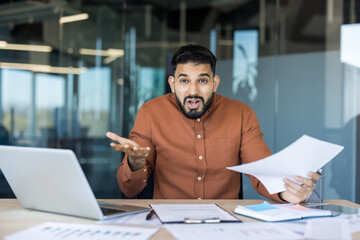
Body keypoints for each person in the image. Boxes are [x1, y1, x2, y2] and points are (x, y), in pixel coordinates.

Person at [106, 44, 320, 203]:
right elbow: (129, 189)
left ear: (215, 83)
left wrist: (287, 193)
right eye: (184, 81)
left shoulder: (241, 114)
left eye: (202, 80)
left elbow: (262, 170)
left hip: (226, 223)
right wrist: (135, 163)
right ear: (172, 84)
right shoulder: (150, 112)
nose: (193, 91)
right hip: (168, 222)